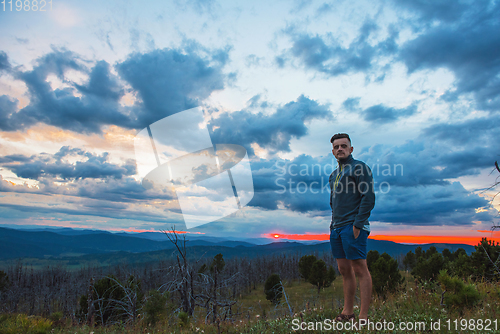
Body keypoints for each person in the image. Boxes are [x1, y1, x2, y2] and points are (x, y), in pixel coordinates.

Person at [329, 133, 375, 322]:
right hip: (337, 228)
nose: (340, 149)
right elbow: (334, 202)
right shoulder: (333, 175)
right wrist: (333, 225)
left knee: (359, 268)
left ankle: (363, 316)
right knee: (344, 269)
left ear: (351, 149)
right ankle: (348, 312)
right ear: (332, 151)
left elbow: (368, 197)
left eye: (344, 146)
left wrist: (357, 225)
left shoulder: (359, 168)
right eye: (337, 147)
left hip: (353, 226)